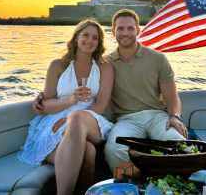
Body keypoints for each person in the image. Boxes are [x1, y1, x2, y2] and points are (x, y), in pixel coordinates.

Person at [33, 9, 188, 173]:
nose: (125, 33)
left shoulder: (158, 58)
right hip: (127, 120)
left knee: (179, 145)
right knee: (114, 150)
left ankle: (176, 186)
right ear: (113, 32)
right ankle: (132, 186)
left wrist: (175, 117)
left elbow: (171, 98)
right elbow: (76, 76)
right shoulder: (105, 64)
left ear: (138, 30)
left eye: (130, 28)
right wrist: (42, 97)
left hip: (158, 117)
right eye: (120, 28)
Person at [18, 20, 114, 195]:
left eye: (95, 38)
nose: (89, 40)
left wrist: (72, 118)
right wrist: (70, 100)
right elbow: (46, 104)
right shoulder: (57, 65)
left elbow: (101, 105)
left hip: (91, 119)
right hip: (56, 121)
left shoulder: (104, 67)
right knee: (88, 152)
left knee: (76, 117)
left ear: (99, 43)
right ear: (76, 37)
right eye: (85, 35)